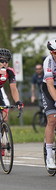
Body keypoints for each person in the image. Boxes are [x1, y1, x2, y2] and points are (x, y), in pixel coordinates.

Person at [42, 38, 56, 169]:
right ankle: (50, 156)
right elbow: (50, 86)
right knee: (52, 120)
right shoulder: (49, 62)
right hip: (48, 89)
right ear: (52, 53)